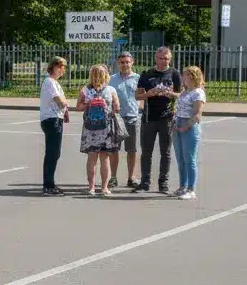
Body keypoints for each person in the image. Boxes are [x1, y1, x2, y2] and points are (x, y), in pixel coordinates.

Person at [134, 47, 181, 194]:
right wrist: (149, 93)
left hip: (167, 118)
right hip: (149, 118)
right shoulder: (147, 74)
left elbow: (181, 94)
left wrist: (170, 94)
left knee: (165, 152)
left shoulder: (174, 74)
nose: (163, 61)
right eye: (161, 58)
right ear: (156, 58)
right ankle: (145, 182)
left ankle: (163, 184)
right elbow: (138, 96)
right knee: (146, 152)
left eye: (166, 59)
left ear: (170, 59)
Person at [76, 64, 121, 196]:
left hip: (90, 128)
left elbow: (78, 107)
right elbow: (117, 108)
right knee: (104, 158)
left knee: (92, 158)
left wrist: (89, 104)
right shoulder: (111, 90)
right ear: (106, 75)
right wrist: (106, 106)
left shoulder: (85, 90)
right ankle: (104, 188)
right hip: (105, 127)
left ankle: (91, 187)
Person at [108, 51, 141, 190]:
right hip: (116, 118)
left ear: (132, 62)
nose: (125, 64)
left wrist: (140, 110)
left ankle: (131, 177)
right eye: (122, 62)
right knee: (114, 150)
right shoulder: (111, 79)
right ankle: (113, 177)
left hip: (133, 118)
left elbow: (142, 96)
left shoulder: (138, 78)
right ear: (118, 63)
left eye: (127, 62)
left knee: (132, 150)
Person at [173, 65, 207, 200]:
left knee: (189, 159)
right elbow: (179, 105)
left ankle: (191, 189)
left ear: (193, 77)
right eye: (183, 75)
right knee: (180, 159)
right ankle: (182, 186)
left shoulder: (198, 93)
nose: (183, 77)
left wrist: (185, 127)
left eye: (186, 75)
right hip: (178, 123)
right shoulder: (185, 91)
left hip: (189, 126)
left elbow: (197, 115)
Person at [39, 56, 69, 195]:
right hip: (52, 120)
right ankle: (48, 185)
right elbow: (60, 101)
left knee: (54, 153)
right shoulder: (50, 82)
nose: (64, 70)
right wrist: (65, 104)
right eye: (63, 67)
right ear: (57, 66)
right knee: (52, 153)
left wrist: (65, 110)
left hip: (55, 118)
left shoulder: (54, 82)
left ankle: (50, 183)